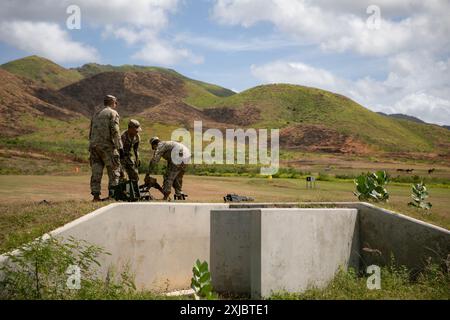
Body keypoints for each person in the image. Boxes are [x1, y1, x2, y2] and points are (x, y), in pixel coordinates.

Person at [89, 95, 124, 201]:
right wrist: (120, 147)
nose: (116, 104)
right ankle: (112, 195)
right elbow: (115, 130)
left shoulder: (96, 114)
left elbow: (91, 132)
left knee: (96, 172)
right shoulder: (113, 113)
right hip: (107, 146)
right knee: (114, 170)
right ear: (113, 102)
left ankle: (96, 196)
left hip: (94, 146)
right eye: (116, 102)